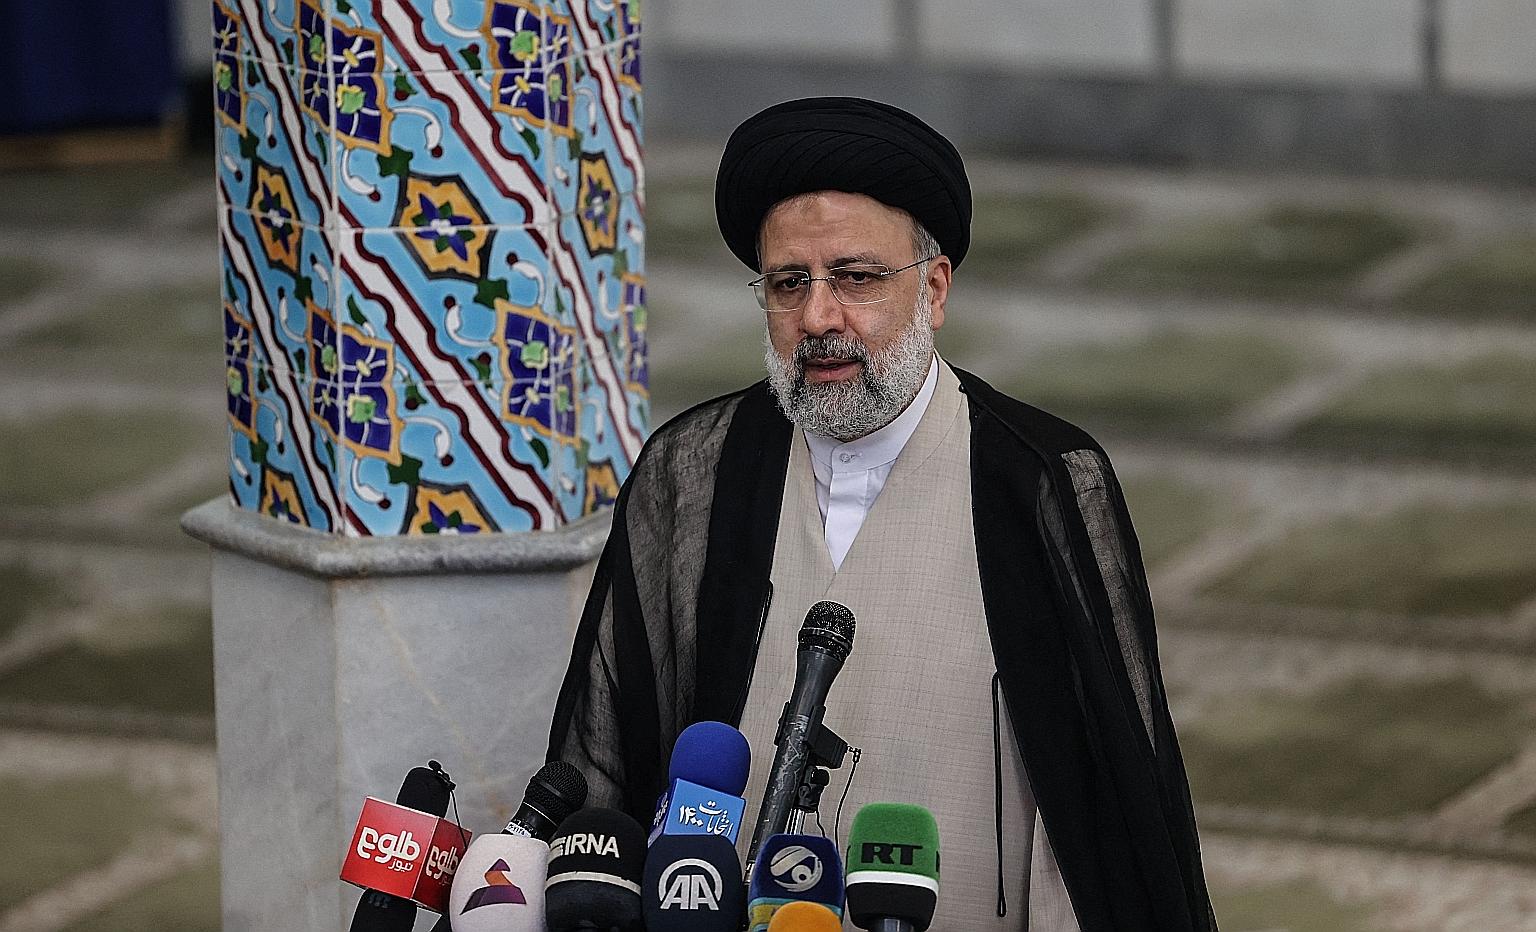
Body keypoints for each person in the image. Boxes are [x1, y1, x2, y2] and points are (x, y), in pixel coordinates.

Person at [547, 97, 1214, 930]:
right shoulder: (693, 469)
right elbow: (607, 760)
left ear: (933, 290)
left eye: (856, 278)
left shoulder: (1043, 482)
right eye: (790, 283)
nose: (820, 317)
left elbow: (1108, 812)